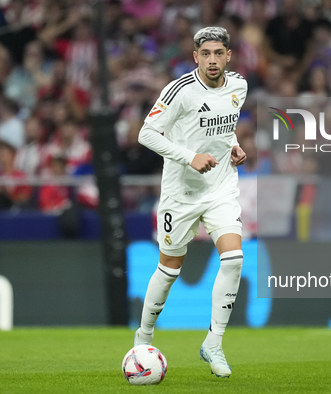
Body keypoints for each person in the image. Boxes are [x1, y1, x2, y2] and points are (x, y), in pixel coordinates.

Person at [135, 27, 247, 378]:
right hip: (181, 194)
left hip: (220, 187)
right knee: (169, 270)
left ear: (228, 56)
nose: (212, 60)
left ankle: (213, 343)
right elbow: (146, 133)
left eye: (219, 53)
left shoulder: (239, 86)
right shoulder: (180, 91)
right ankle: (144, 336)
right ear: (195, 56)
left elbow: (222, 128)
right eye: (206, 54)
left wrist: (233, 146)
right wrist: (189, 156)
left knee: (233, 259)